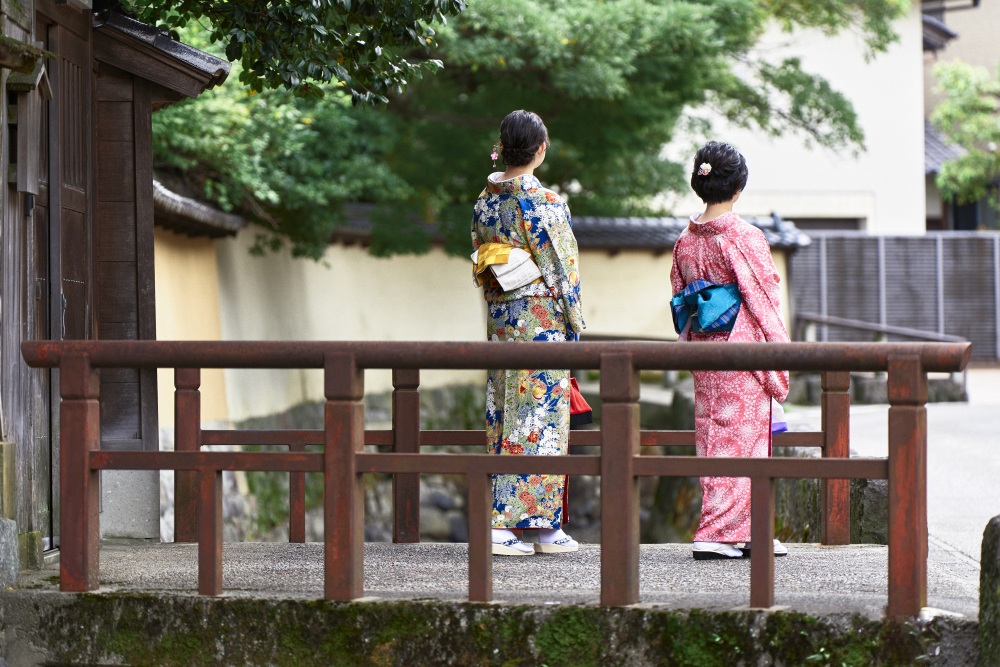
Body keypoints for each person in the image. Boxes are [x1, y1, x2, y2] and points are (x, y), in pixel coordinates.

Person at [471, 110, 585, 556]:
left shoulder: (485, 201)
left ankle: (537, 525)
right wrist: (576, 322)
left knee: (507, 413)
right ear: (540, 150)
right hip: (541, 322)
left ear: (503, 147)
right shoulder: (544, 203)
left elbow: (482, 256)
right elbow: (562, 270)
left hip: (502, 318)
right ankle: (509, 524)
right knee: (539, 420)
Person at [669, 141, 790, 560]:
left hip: (704, 352)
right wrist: (781, 356)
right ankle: (718, 531)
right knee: (741, 442)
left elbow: (680, 298)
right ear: (738, 188)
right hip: (741, 353)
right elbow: (763, 298)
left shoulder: (686, 240)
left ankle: (749, 531)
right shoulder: (743, 236)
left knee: (717, 438)